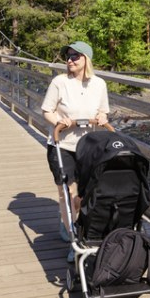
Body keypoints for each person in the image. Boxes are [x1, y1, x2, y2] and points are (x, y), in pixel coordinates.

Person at [41, 40, 109, 246]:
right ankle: (72, 233)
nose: (69, 60)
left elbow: (103, 110)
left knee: (83, 195)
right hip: (62, 145)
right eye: (68, 57)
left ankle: (75, 220)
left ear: (86, 59)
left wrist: (103, 117)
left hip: (89, 146)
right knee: (68, 192)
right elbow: (47, 111)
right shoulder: (59, 82)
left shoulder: (99, 84)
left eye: (74, 56)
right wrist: (59, 122)